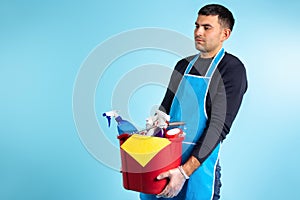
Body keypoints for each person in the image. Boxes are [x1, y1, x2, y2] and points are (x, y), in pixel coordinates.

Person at [140, 4, 248, 200]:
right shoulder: (182, 66)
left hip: (198, 168)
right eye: (196, 26)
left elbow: (218, 128)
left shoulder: (231, 70)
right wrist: (149, 133)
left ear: (225, 34)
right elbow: (165, 111)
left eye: (207, 27)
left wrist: (183, 173)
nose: (198, 32)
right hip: (164, 166)